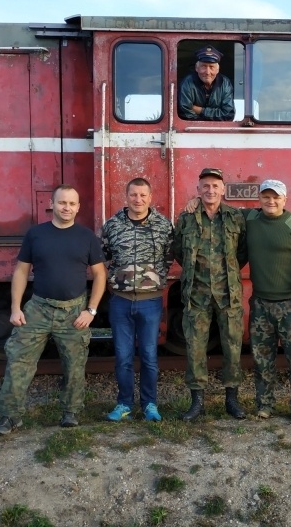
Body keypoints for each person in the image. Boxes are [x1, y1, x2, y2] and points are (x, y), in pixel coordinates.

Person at [0, 185, 107, 436]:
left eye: (72, 203)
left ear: (78, 207)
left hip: (74, 312)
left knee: (74, 365)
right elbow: (21, 271)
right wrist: (15, 308)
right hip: (38, 309)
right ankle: (10, 416)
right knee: (19, 361)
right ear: (51, 204)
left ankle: (71, 412)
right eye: (62, 202)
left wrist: (91, 310)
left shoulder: (86, 237)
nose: (67, 208)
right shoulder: (36, 234)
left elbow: (100, 275)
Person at [172, 167, 248, 420]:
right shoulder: (186, 218)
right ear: (198, 190)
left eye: (215, 186)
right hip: (196, 293)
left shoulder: (236, 217)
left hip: (228, 294)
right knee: (195, 348)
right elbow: (178, 251)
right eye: (205, 186)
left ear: (223, 189)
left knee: (232, 347)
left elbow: (242, 252)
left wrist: (228, 272)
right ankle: (197, 402)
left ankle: (232, 400)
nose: (210, 190)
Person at [101, 178, 174, 422]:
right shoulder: (112, 225)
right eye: (133, 194)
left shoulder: (163, 225)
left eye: (143, 195)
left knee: (149, 356)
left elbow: (169, 256)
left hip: (150, 301)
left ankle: (149, 404)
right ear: (126, 196)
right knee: (123, 357)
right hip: (120, 301)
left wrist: (152, 278)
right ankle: (124, 404)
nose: (138, 199)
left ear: (150, 197)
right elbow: (105, 256)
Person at [246, 179, 291, 422]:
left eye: (276, 197)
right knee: (261, 359)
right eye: (266, 197)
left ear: (284, 199)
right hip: (260, 304)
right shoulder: (250, 219)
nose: (271, 201)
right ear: (259, 199)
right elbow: (222, 210)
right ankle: (264, 404)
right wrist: (195, 203)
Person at [178, 46, 235, 121]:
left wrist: (200, 110)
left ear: (217, 70)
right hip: (193, 128)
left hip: (218, 128)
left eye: (211, 67)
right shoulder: (187, 82)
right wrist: (208, 120)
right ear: (196, 68)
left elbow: (228, 114)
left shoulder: (225, 83)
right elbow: (185, 114)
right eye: (203, 66)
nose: (208, 72)